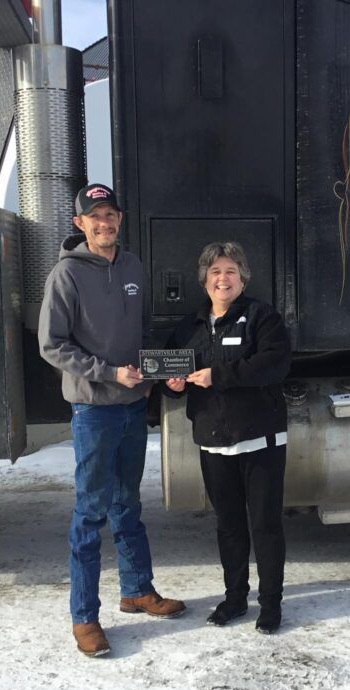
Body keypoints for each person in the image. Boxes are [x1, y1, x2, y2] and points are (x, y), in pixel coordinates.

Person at [38, 182, 186, 658]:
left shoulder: (132, 266)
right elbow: (52, 345)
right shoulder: (66, 275)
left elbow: (142, 331)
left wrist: (159, 373)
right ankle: (84, 617)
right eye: (94, 216)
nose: (105, 223)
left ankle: (137, 590)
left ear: (120, 219)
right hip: (93, 409)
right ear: (80, 224)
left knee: (128, 505)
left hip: (130, 406)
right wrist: (107, 373)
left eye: (111, 214)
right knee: (90, 513)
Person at [164, 242, 291, 634]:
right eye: (215, 271)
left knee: (265, 525)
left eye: (231, 271)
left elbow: (274, 363)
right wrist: (172, 386)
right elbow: (172, 377)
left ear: (243, 278)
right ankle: (235, 598)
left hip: (260, 439)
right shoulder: (189, 328)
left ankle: (270, 604)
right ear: (204, 279)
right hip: (213, 441)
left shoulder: (262, 318)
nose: (223, 278)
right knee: (229, 525)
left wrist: (219, 375)